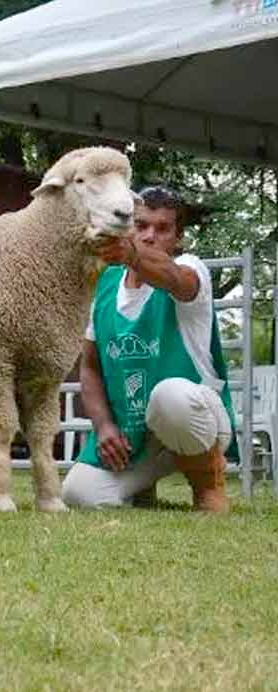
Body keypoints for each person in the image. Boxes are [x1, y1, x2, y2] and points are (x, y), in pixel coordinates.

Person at [62, 185, 235, 513]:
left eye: (163, 228)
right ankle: (143, 489)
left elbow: (178, 282)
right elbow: (90, 368)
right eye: (140, 226)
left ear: (178, 238)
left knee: (169, 397)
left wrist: (133, 256)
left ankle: (208, 487)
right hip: (138, 433)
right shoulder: (106, 287)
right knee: (79, 494)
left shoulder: (190, 268)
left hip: (196, 418)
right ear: (128, 229)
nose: (150, 235)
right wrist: (104, 426)